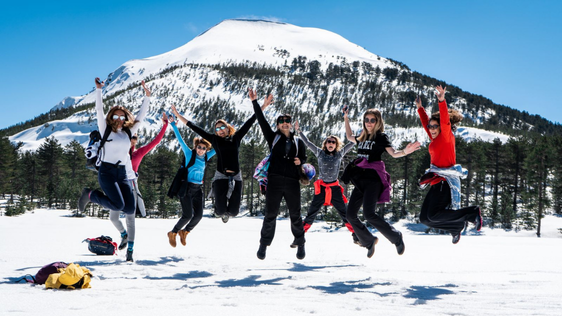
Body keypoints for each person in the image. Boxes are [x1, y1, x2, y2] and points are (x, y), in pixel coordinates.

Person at [78, 77, 151, 262]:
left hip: (122, 174)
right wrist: (99, 90)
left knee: (130, 209)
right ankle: (90, 195)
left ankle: (130, 248)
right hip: (107, 172)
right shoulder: (106, 130)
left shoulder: (128, 132)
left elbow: (141, 116)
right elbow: (99, 110)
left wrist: (147, 96)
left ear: (126, 118)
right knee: (117, 205)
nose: (119, 119)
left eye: (122, 116)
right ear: (111, 117)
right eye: (116, 116)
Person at [170, 93, 261, 223]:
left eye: (223, 127)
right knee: (220, 210)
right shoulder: (215, 140)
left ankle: (227, 213)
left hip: (236, 175)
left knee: (234, 211)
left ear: (228, 128)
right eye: (217, 128)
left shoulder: (236, 138)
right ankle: (219, 202)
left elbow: (251, 120)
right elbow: (193, 127)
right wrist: (178, 115)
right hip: (220, 175)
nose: (220, 130)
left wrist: (259, 104)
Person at [343, 106, 420, 258]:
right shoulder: (362, 137)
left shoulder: (381, 137)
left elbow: (394, 153)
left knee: (369, 214)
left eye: (372, 120)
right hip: (360, 180)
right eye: (366, 120)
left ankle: (396, 237)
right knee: (350, 215)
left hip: (373, 180)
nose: (369, 123)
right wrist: (346, 118)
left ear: (378, 122)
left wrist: (405, 151)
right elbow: (349, 136)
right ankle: (368, 240)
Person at [416, 86, 482, 244]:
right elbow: (426, 123)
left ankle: (472, 212)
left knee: (433, 215)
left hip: (445, 182)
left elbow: (444, 120)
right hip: (436, 182)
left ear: (441, 127)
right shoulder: (435, 139)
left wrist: (441, 100)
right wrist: (420, 109)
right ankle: (455, 227)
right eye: (430, 127)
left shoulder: (446, 137)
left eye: (434, 126)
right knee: (425, 218)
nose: (431, 129)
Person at [251, 89, 307, 260]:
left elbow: (304, 159)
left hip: (292, 181)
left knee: (295, 215)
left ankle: (301, 243)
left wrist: (300, 162)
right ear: (277, 125)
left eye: (287, 121)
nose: (284, 123)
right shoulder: (273, 137)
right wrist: (255, 102)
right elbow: (261, 121)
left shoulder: (298, 141)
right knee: (270, 214)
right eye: (281, 121)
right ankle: (263, 244)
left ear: (290, 124)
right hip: (274, 181)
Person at [293, 120, 359, 244]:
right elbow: (307, 143)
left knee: (345, 214)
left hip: (335, 189)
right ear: (325, 144)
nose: (330, 143)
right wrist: (299, 131)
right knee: (311, 214)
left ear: (336, 145)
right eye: (328, 141)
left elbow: (352, 143)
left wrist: (361, 136)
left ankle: (356, 236)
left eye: (333, 142)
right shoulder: (320, 153)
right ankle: (299, 237)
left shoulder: (339, 154)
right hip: (321, 189)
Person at [166, 115, 216, 247]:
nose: (200, 150)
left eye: (203, 148)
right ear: (195, 147)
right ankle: (173, 232)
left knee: (198, 216)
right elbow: (181, 140)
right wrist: (173, 125)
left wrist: (226, 137)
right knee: (187, 215)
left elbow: (218, 148)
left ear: (206, 150)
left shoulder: (206, 157)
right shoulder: (189, 154)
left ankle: (185, 232)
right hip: (186, 188)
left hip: (198, 189)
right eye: (199, 147)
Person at [130, 113, 169, 217]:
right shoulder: (120, 150)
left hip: (132, 185)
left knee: (131, 213)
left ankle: (127, 233)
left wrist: (165, 125)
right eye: (131, 136)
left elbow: (156, 142)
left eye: (135, 137)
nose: (133, 139)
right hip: (118, 182)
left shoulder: (139, 152)